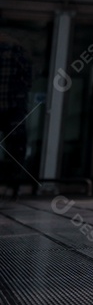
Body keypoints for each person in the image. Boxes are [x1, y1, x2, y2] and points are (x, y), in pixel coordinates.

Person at [0, 32, 32, 199]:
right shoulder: (17, 51)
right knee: (16, 149)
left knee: (15, 148)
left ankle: (9, 185)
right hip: (14, 107)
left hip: (12, 107)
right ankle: (11, 188)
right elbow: (28, 80)